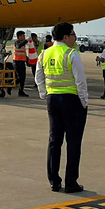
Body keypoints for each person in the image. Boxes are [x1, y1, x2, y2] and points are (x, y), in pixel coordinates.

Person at [36, 22, 88, 193]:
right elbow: (80, 81)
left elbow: (39, 77)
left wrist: (44, 94)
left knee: (54, 140)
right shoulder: (71, 54)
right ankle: (71, 182)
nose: (74, 38)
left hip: (52, 100)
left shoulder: (45, 53)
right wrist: (84, 101)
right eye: (73, 35)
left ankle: (54, 181)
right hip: (71, 101)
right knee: (73, 142)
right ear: (66, 37)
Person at [12, 30, 29, 97]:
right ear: (19, 37)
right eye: (23, 36)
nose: (24, 37)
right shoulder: (17, 42)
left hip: (22, 62)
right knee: (19, 77)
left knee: (23, 78)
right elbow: (19, 46)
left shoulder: (23, 44)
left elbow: (23, 54)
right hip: (17, 62)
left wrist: (28, 61)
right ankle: (11, 85)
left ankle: (21, 91)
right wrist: (26, 41)